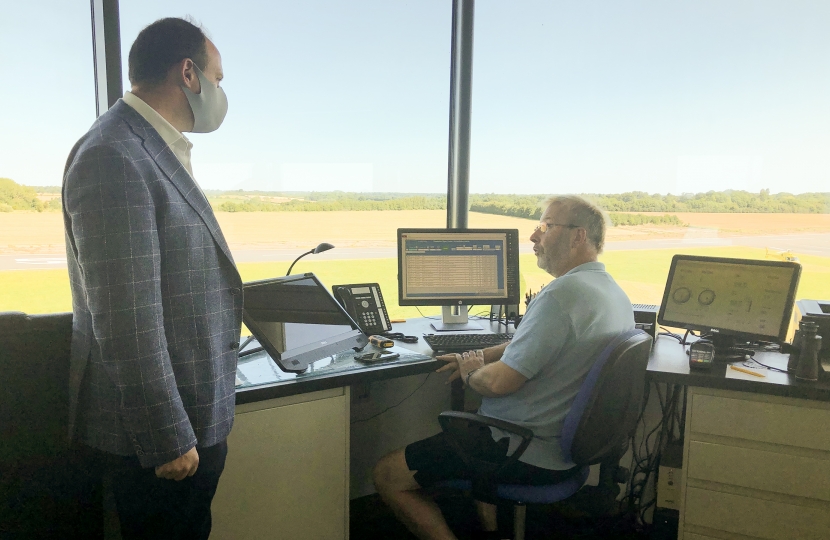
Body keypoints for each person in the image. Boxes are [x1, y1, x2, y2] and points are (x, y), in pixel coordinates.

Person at [62, 18, 242, 540]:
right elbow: (126, 319)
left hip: (189, 413)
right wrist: (168, 436)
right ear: (188, 73)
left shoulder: (150, 147)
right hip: (158, 436)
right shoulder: (113, 156)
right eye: (218, 78)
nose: (220, 92)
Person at [373, 195, 635, 540]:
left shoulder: (560, 296)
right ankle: (492, 530)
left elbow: (497, 386)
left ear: (578, 236)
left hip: (523, 450)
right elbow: (527, 344)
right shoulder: (609, 290)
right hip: (566, 452)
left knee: (387, 474)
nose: (533, 237)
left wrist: (470, 373)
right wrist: (482, 356)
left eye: (545, 226)